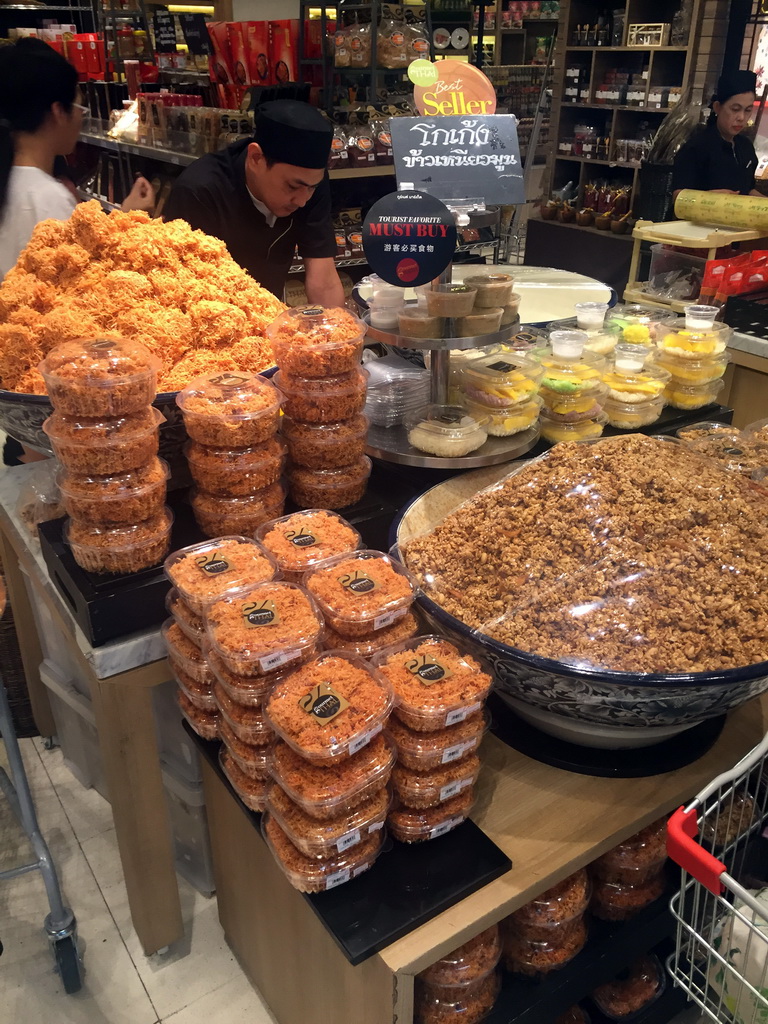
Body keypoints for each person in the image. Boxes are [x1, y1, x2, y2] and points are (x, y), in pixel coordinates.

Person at [0, 38, 154, 282]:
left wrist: (123, 216)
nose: (81, 120)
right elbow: (84, 284)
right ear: (59, 111)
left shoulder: (13, 181)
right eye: (81, 109)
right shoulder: (48, 199)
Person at [163, 99, 343, 305]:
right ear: (256, 158)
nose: (302, 201)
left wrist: (336, 331)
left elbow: (324, 279)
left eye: (312, 187)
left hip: (270, 311)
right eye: (292, 187)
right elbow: (181, 290)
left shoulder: (308, 183)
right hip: (212, 313)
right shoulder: (199, 191)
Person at [672, 70, 762, 200]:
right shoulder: (697, 147)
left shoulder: (746, 146)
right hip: (699, 219)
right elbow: (677, 196)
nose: (742, 117)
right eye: (735, 109)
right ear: (717, 107)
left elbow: (748, 190)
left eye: (748, 110)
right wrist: (710, 197)